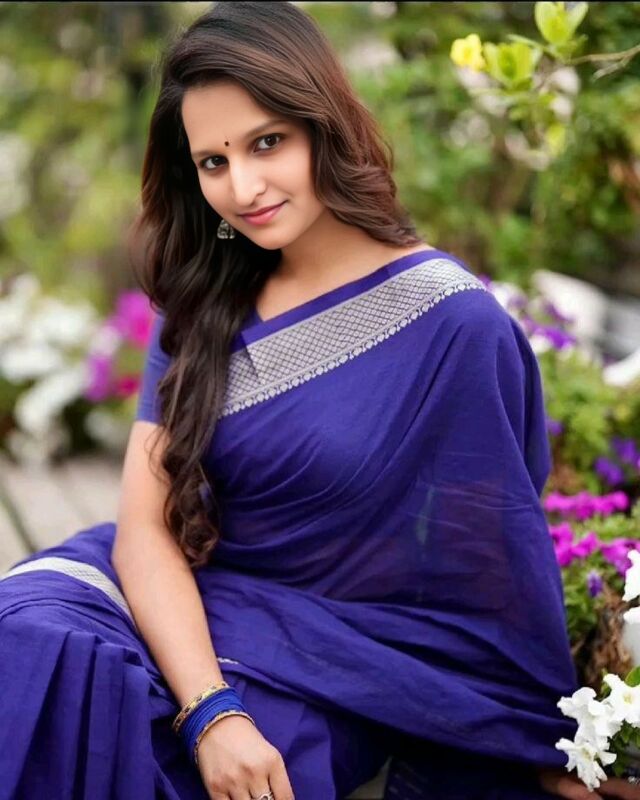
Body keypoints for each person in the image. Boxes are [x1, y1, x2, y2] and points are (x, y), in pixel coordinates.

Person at [0, 3, 637, 799]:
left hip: (324, 670)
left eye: (267, 143)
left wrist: (542, 741)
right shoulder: (202, 302)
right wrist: (210, 711)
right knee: (30, 651)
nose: (243, 187)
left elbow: (492, 565)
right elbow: (144, 531)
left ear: (322, 125)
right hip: (155, 606)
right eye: (213, 162)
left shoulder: (451, 324)